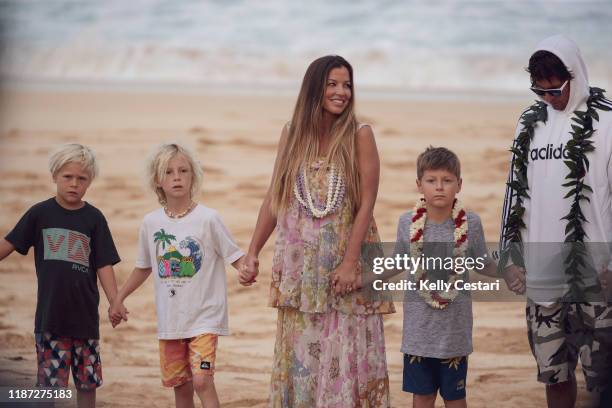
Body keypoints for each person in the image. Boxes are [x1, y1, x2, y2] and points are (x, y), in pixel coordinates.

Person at [240, 55, 395, 407]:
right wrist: (252, 252)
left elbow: (367, 202)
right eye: (333, 84)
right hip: (301, 272)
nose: (342, 92)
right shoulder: (292, 134)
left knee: (345, 358)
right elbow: (274, 197)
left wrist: (351, 262)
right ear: (314, 88)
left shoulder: (360, 135)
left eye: (347, 85)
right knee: (303, 361)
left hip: (345, 268)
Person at [499, 34, 612, 408]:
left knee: (602, 381)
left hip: (597, 275)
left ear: (575, 75)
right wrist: (508, 257)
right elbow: (514, 193)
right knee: (554, 373)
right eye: (539, 90)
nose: (549, 97)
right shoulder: (529, 123)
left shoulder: (608, 121)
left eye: (556, 89)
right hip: (542, 274)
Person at [109, 143, 247, 408]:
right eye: (169, 172)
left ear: (193, 176)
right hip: (170, 321)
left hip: (204, 319)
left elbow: (235, 255)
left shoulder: (209, 218)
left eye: (183, 171)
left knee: (202, 381)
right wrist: (118, 298)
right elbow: (143, 266)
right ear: (157, 181)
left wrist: (245, 269)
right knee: (181, 388)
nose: (177, 177)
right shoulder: (151, 223)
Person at [0, 143, 123, 408]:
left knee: (87, 385)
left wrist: (115, 301)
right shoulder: (39, 213)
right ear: (54, 175)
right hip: (50, 318)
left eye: (82, 179)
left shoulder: (94, 219)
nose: (74, 184)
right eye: (68, 177)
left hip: (85, 320)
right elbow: (9, 244)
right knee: (48, 386)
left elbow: (104, 265)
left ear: (90, 182)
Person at [394, 147, 496, 408]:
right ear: (419, 185)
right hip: (419, 332)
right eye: (431, 180)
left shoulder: (470, 223)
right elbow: (397, 262)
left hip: (454, 332)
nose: (439, 187)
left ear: (459, 185)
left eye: (447, 180)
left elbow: (482, 263)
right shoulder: (407, 222)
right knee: (423, 397)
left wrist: (509, 270)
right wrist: (363, 278)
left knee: (455, 397)